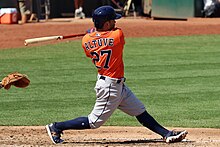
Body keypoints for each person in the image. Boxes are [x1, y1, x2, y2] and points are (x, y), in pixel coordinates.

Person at [45, 5, 188, 144]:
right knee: (93, 122)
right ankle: (57, 127)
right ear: (106, 23)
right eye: (113, 20)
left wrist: (92, 33)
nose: (115, 22)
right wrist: (94, 32)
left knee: (139, 111)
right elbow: (109, 34)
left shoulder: (85, 40)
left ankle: (166, 134)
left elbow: (93, 46)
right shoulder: (117, 35)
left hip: (114, 84)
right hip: (110, 87)